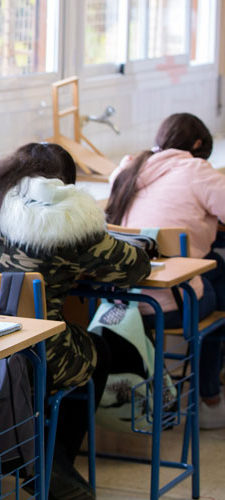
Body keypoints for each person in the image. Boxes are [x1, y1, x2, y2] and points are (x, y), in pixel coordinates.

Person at [0, 143, 152, 499]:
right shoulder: (65, 220)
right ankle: (50, 461)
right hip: (34, 354)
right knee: (99, 352)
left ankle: (39, 457)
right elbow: (133, 269)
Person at [106, 112, 225, 429]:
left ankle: (176, 390)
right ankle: (209, 397)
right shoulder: (195, 169)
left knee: (215, 267)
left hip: (119, 303)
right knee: (221, 285)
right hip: (170, 303)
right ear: (197, 145)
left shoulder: (129, 169)